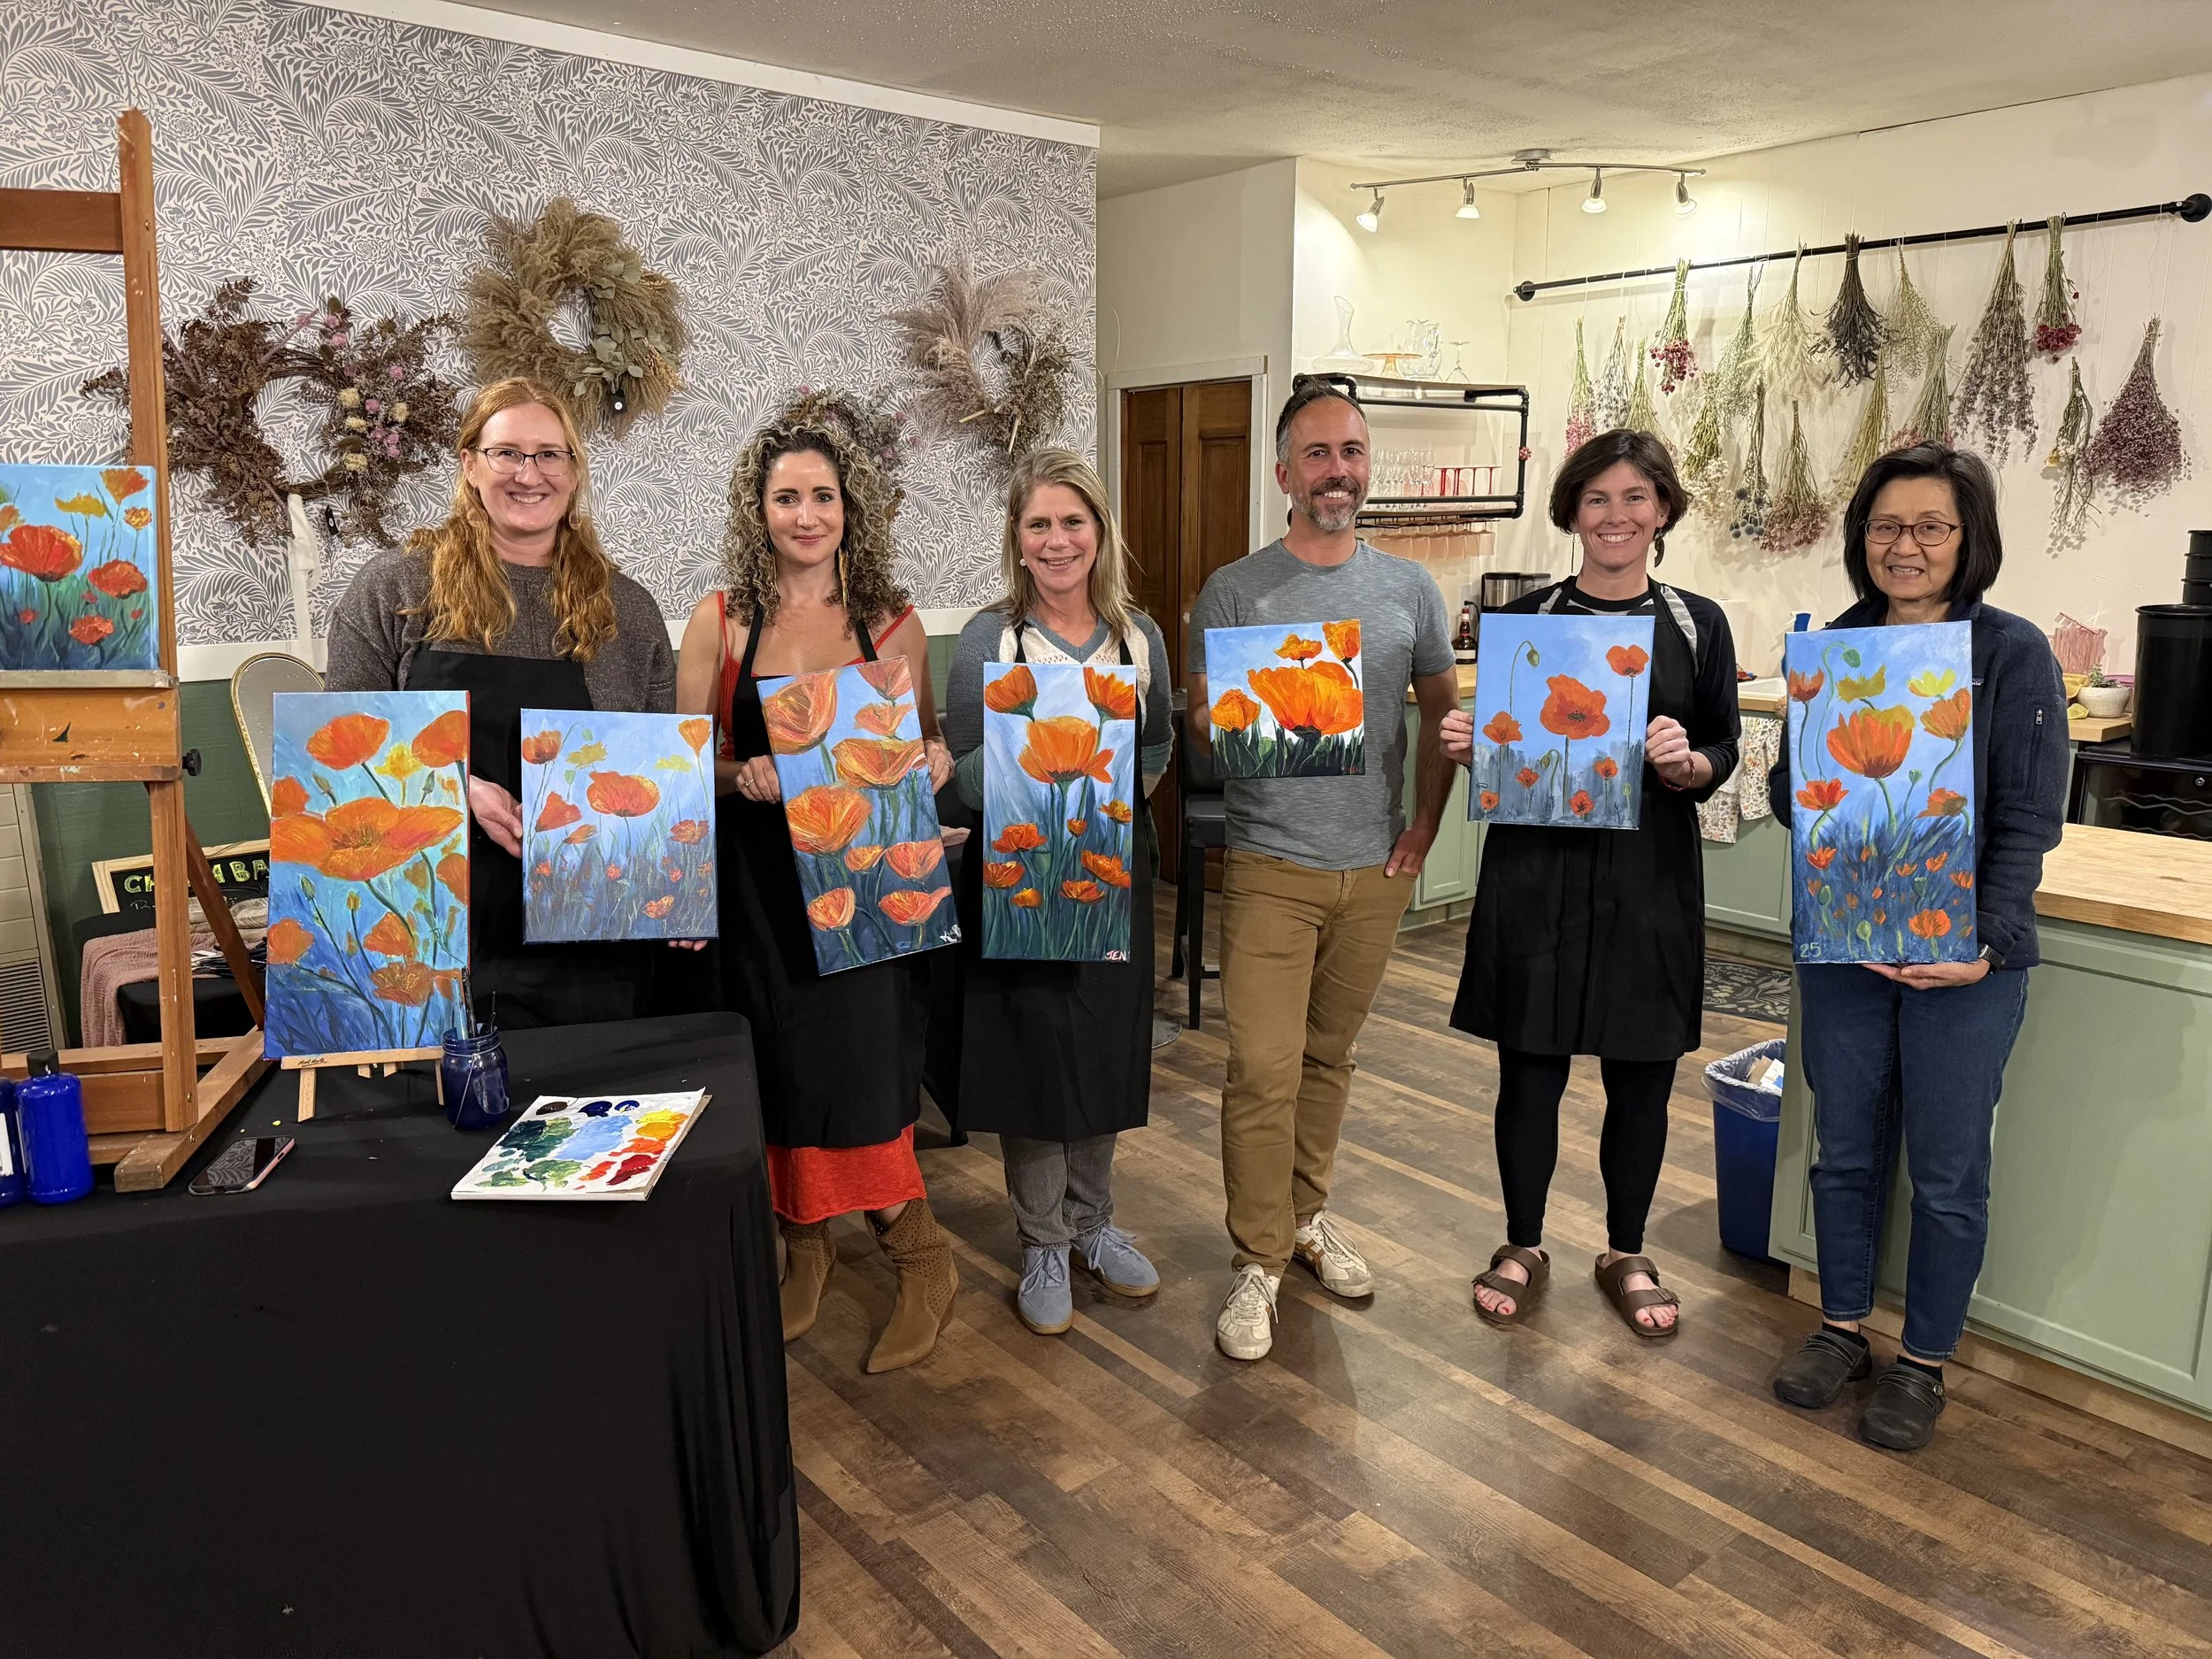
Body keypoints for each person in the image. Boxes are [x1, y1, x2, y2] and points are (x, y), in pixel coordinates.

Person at [1767, 442, 2066, 1450]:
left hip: (1963, 960)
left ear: (1966, 538)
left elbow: (2028, 820)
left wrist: (1985, 940)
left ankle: (1925, 1363)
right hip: (1843, 944)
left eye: (1930, 526)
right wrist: (1803, 740)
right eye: (1886, 526)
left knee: (1946, 1171)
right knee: (1843, 1148)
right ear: (1863, 539)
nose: (1905, 546)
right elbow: (1788, 803)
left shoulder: (2012, 653)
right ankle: (1842, 1326)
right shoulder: (1833, 648)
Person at [674, 391, 958, 1375]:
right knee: (781, 1070)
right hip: (757, 893)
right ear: (757, 509)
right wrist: (735, 772)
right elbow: (686, 762)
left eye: (823, 498)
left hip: (868, 890)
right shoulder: (722, 623)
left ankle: (918, 1255)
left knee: (868, 1072)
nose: (805, 515)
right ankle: (806, 1250)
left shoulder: (894, 626)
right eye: (786, 497)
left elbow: (924, 747)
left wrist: (935, 763)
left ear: (851, 509)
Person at [1442, 428, 1740, 1340]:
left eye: (1635, 499)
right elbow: (1506, 751)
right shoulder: (1526, 622)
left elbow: (1723, 745)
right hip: (1536, 873)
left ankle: (1624, 1249)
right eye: (1597, 499)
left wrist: (1689, 764)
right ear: (1570, 510)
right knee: (1528, 1070)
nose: (1616, 517)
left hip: (1648, 874)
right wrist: (1467, 750)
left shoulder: (1697, 622)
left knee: (1641, 1075)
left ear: (1662, 512)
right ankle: (1522, 1243)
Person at [1187, 375, 1460, 1362]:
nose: (1336, 471)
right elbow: (1209, 741)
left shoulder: (1408, 590)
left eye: (1350, 453)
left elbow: (1441, 716)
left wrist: (1423, 832)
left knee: (1326, 1060)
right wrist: (1215, 712)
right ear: (1282, 473)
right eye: (1317, 454)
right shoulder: (1234, 589)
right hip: (1268, 865)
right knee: (1259, 1067)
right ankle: (1254, 1260)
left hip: (1374, 869)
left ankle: (1304, 1218)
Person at [324, 376, 674, 1027]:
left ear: (573, 472)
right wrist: (454, 789)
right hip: (425, 928)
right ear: (469, 464)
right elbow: (337, 757)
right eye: (507, 452)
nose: (528, 473)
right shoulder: (394, 588)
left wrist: (676, 885)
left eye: (549, 455)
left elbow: (652, 786)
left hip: (588, 946)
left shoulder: (630, 613)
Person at [939, 449, 1172, 1336]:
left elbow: (1153, 752)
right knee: (1033, 1056)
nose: (1057, 538)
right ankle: (1041, 1239)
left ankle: (1094, 1226)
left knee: (1104, 1050)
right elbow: (957, 774)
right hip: (1020, 880)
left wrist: (1106, 805)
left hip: (1109, 877)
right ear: (1017, 538)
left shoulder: (1136, 638)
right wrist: (1030, 770)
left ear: (1099, 532)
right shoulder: (985, 642)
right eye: (1038, 523)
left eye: (1072, 521)